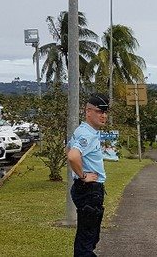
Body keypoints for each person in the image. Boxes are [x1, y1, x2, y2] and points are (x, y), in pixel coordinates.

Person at [67, 93, 109, 257]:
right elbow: (72, 156)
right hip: (89, 190)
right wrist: (83, 175)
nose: (104, 116)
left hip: (85, 190)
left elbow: (68, 150)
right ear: (88, 111)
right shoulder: (87, 134)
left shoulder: (82, 130)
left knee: (88, 236)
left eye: (105, 112)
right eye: (99, 112)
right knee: (87, 240)